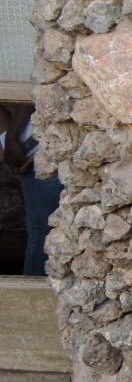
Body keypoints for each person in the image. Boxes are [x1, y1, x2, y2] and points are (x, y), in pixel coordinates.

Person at [0, 103, 61, 275]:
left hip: (38, 146)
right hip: (34, 147)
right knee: (45, 230)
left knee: (43, 231)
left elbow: (28, 96)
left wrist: (11, 139)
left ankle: (35, 286)